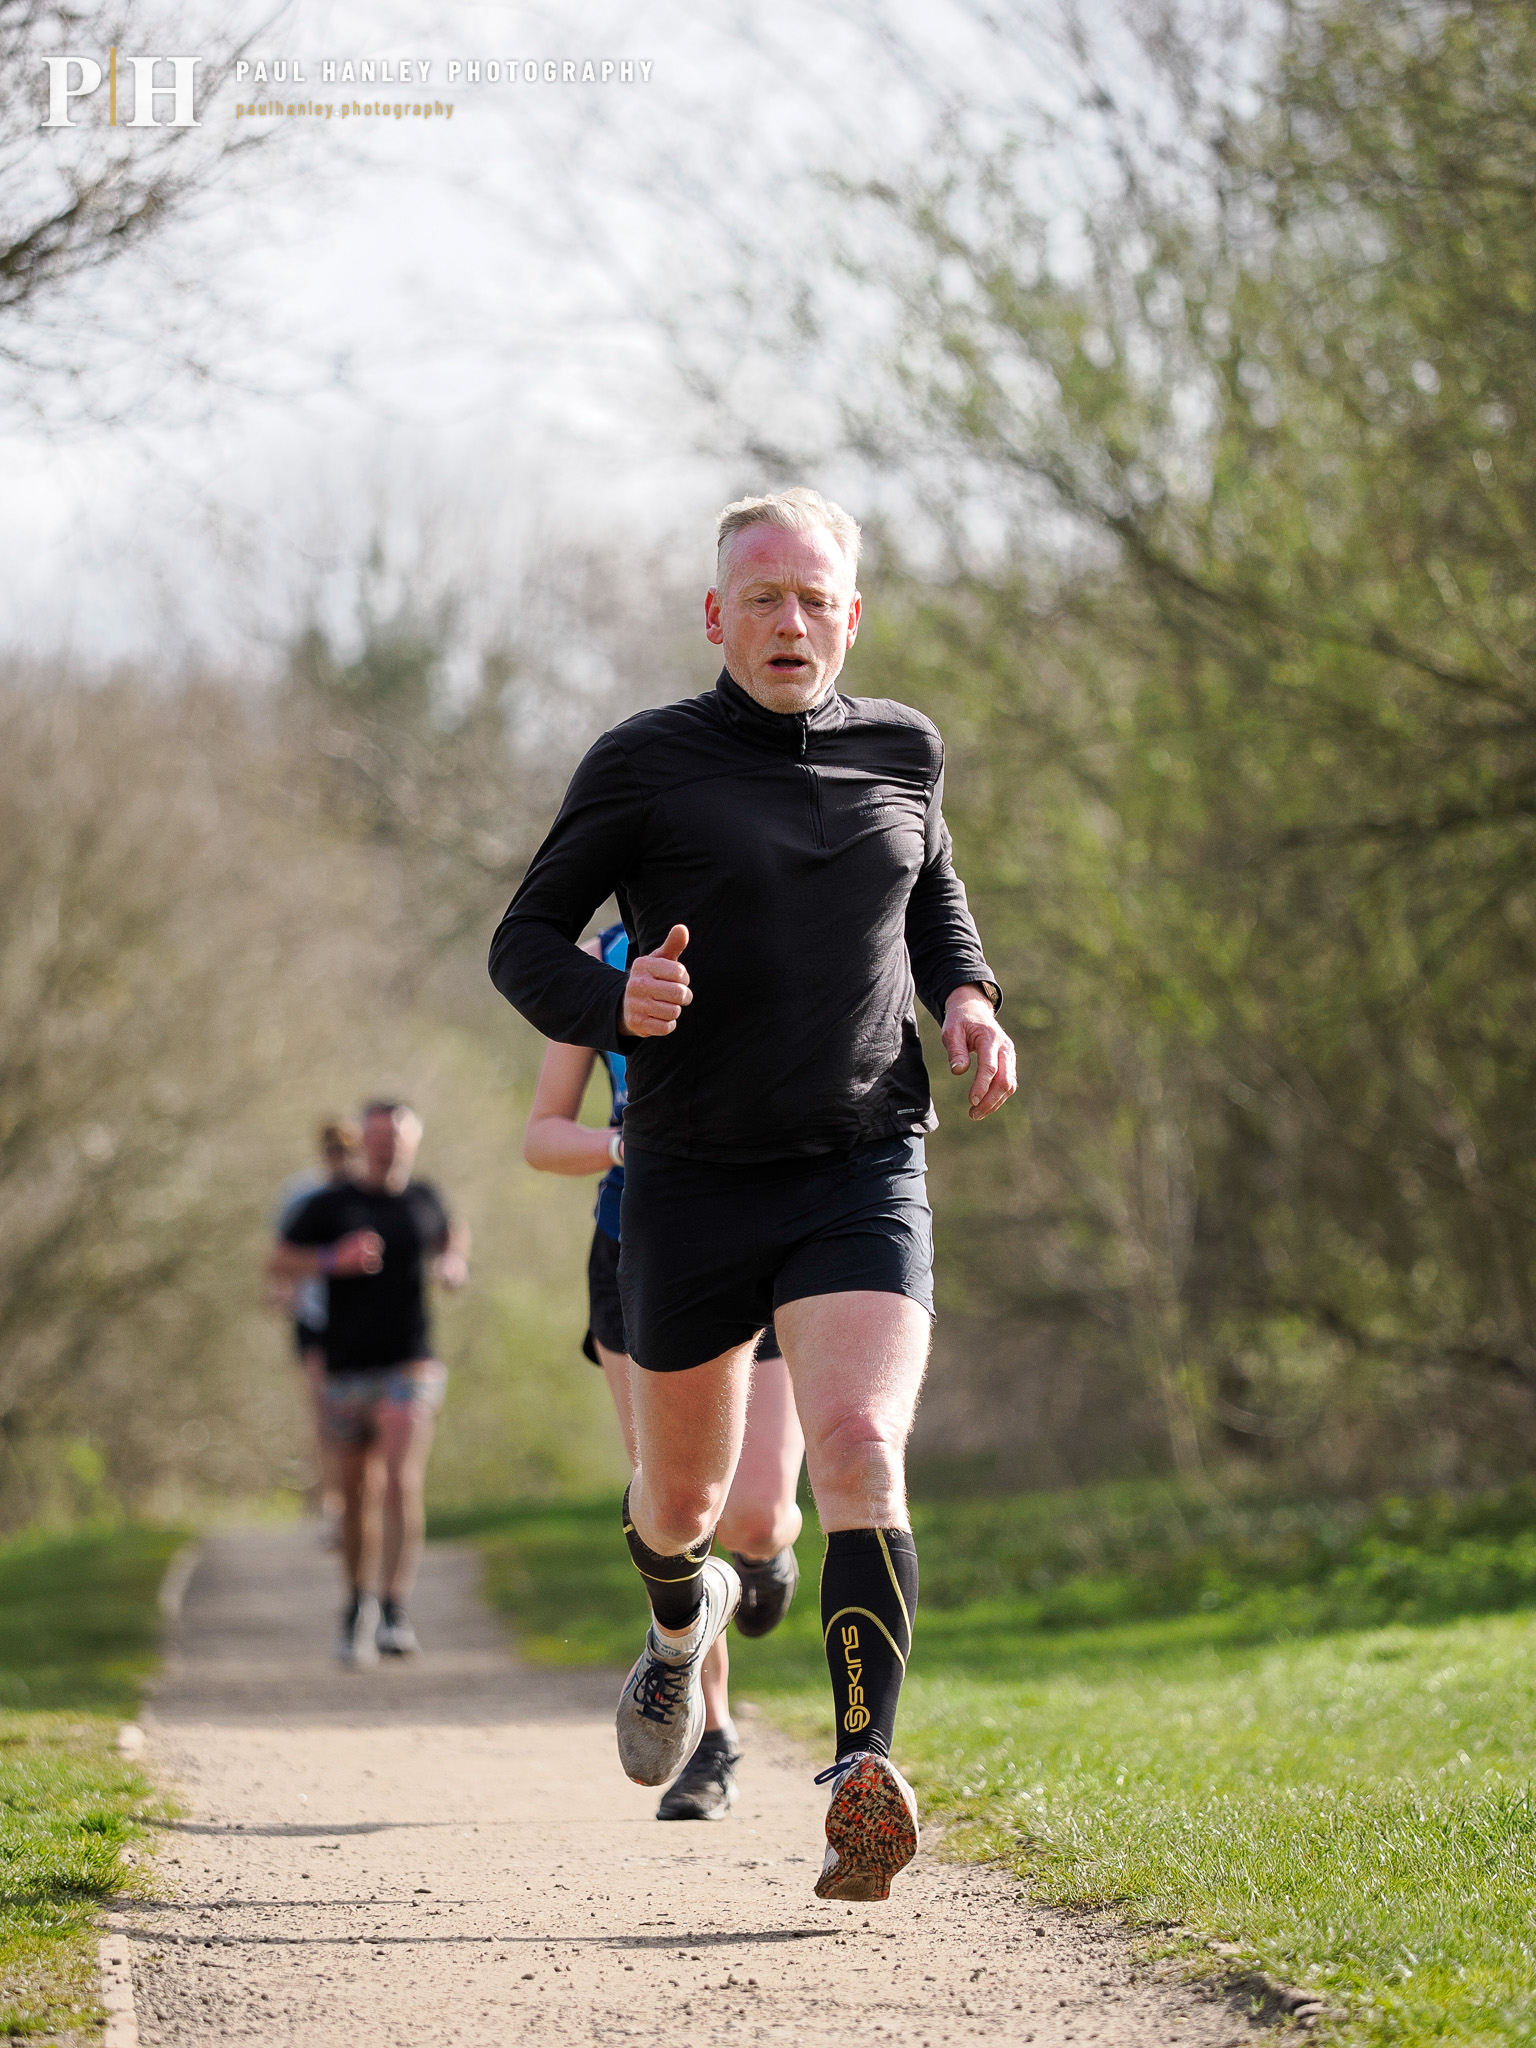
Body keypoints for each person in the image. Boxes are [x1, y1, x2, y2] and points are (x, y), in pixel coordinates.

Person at [488, 487, 1015, 1903]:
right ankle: (676, 1631)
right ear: (717, 618)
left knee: (855, 1452)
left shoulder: (906, 748)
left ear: (855, 615)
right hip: (688, 1179)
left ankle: (860, 1774)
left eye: (815, 598)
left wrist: (967, 995)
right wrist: (615, 996)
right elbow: (523, 941)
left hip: (860, 1158)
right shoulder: (644, 764)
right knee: (684, 1502)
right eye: (762, 599)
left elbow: (930, 891)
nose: (791, 622)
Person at [524, 919, 806, 1821]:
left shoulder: (772, 921)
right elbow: (542, 1136)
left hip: (764, 1247)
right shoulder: (598, 965)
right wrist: (623, 1147)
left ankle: (763, 1560)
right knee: (676, 1507)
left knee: (757, 1515)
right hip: (633, 1253)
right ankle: (709, 1735)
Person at [268, 1101, 469, 1667]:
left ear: (413, 1141)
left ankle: (396, 1609)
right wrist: (335, 1258)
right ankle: (357, 1605)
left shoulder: (423, 1199)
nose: (387, 1145)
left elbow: (452, 1234)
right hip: (344, 1368)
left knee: (401, 1480)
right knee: (356, 1495)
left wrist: (453, 1263)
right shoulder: (328, 1205)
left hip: (410, 1365)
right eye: (377, 1134)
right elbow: (278, 1262)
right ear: (363, 1140)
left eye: (398, 1135)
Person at [268, 1120, 360, 1548]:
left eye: (346, 1150)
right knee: (326, 1413)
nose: (338, 1159)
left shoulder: (369, 1195)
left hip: (364, 1320)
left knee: (363, 1414)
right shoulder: (301, 1195)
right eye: (332, 1150)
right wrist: (280, 1288)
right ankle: (334, 1508)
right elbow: (279, 1255)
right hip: (315, 1318)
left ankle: (362, 1503)